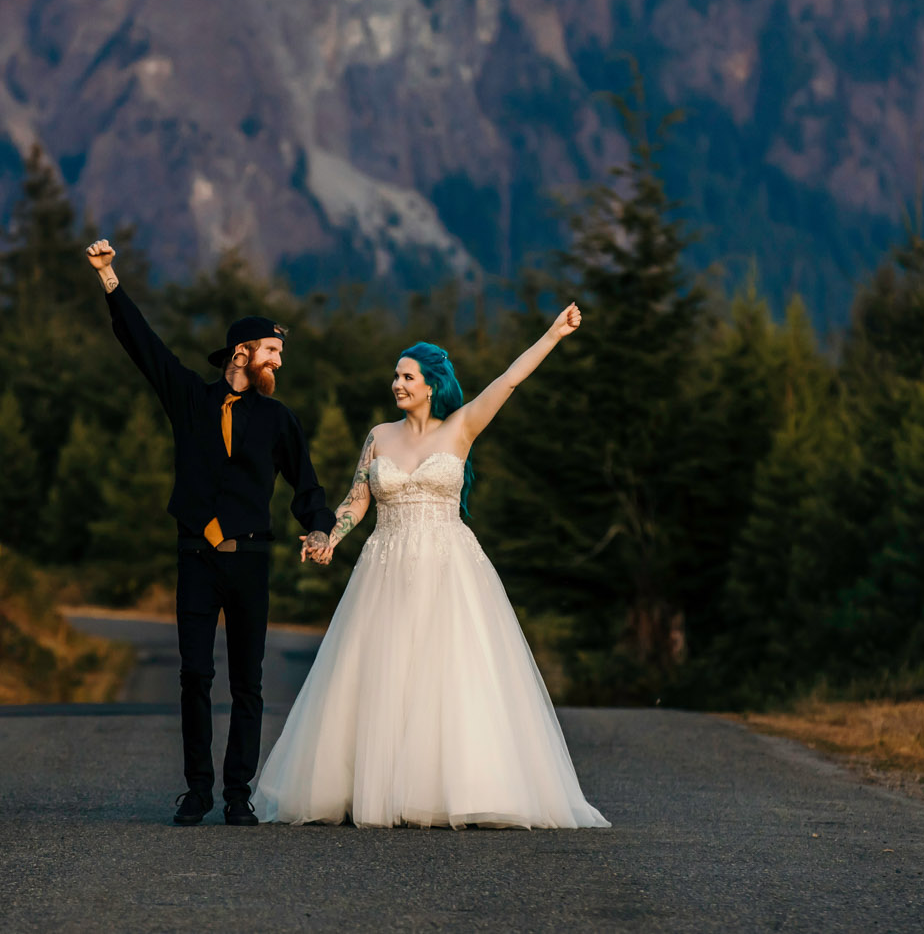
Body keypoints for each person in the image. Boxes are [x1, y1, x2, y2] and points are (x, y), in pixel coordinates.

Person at [254, 307, 611, 829]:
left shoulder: (462, 426)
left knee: (449, 674)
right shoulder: (379, 435)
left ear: (430, 385)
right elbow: (358, 498)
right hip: (386, 566)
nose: (396, 383)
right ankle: (368, 783)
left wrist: (554, 334)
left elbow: (509, 380)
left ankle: (451, 787)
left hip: (448, 566)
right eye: (396, 375)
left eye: (406, 376)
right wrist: (327, 536)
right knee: (379, 673)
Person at [84, 237, 335, 827]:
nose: (279, 361)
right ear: (242, 352)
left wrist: (321, 530)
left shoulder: (278, 418)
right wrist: (109, 277)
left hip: (250, 562)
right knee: (194, 675)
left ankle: (237, 794)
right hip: (195, 556)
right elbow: (143, 344)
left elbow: (308, 488)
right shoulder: (191, 402)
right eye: (271, 351)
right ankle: (197, 791)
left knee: (248, 683)